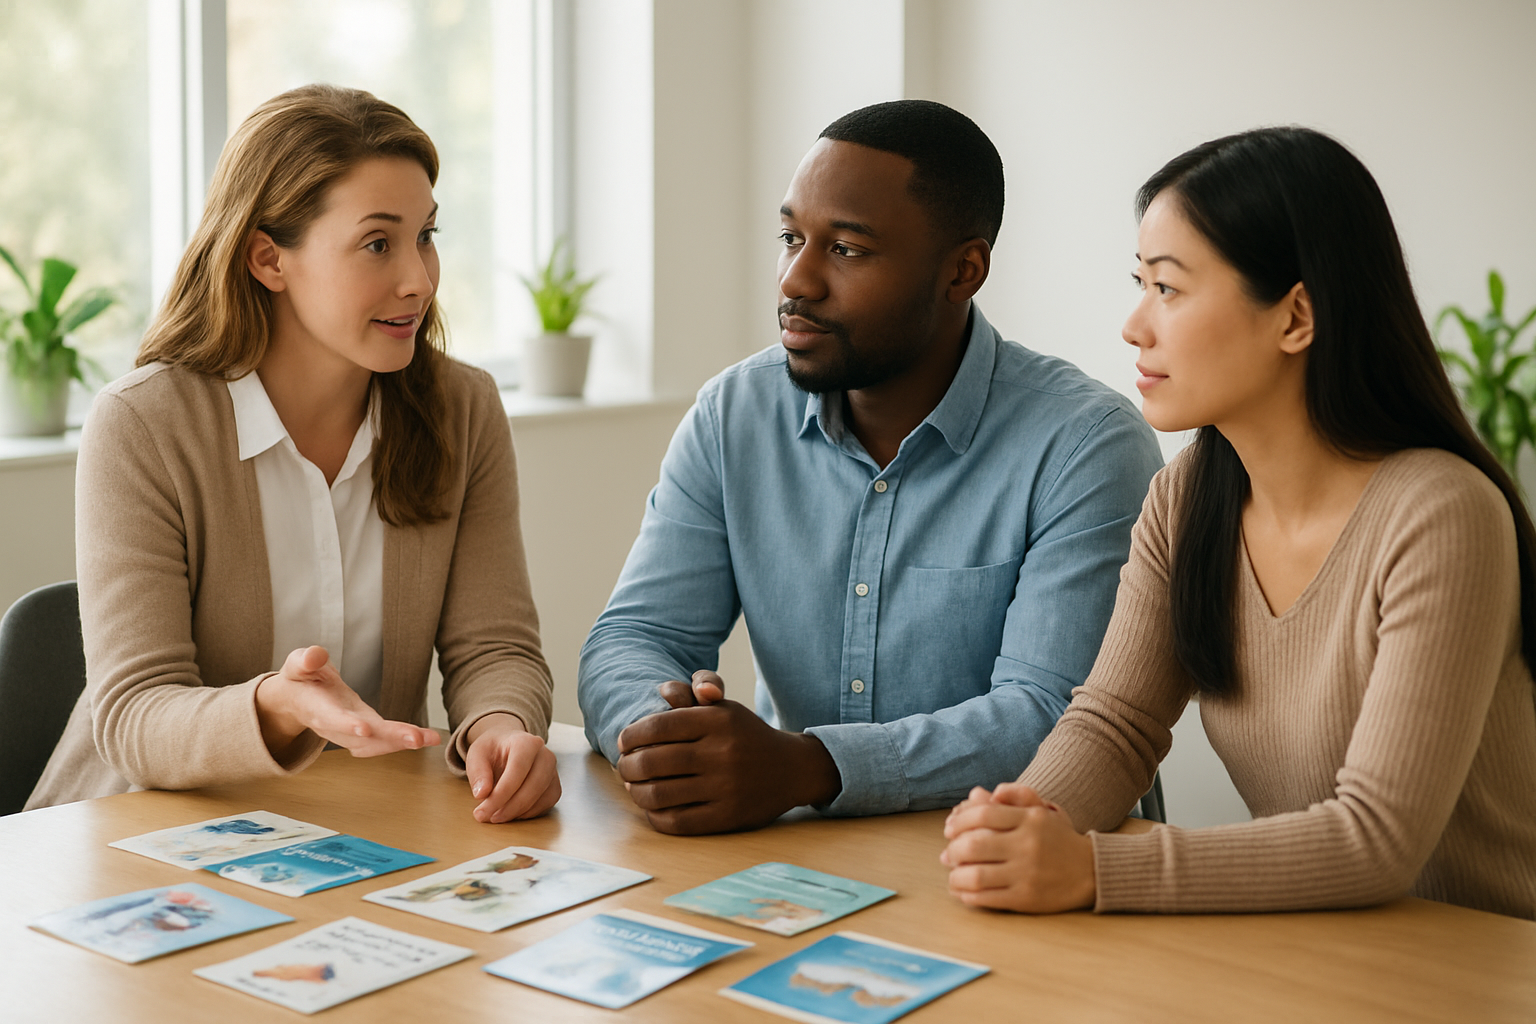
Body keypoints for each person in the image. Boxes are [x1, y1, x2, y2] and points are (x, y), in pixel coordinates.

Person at [942, 126, 1536, 919]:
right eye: (1141, 283)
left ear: (1296, 317)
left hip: (1479, 958)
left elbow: (1378, 839)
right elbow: (1117, 726)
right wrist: (1022, 824)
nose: (1135, 325)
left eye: (1168, 288)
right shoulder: (1187, 497)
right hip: (1311, 947)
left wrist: (1093, 870)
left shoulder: (1441, 513)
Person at [577, 100, 1163, 835]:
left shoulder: (1086, 445)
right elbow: (631, 639)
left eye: (847, 249)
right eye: (791, 238)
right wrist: (666, 743)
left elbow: (1054, 718)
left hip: (1022, 858)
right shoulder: (734, 414)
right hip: (804, 856)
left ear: (962, 272)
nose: (796, 280)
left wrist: (809, 767)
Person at [26, 85, 560, 824]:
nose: (419, 280)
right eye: (378, 244)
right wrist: (276, 708)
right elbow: (134, 715)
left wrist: (500, 726)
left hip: (356, 829)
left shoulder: (462, 409)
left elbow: (496, 647)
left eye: (426, 236)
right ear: (268, 259)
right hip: (138, 834)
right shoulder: (143, 425)